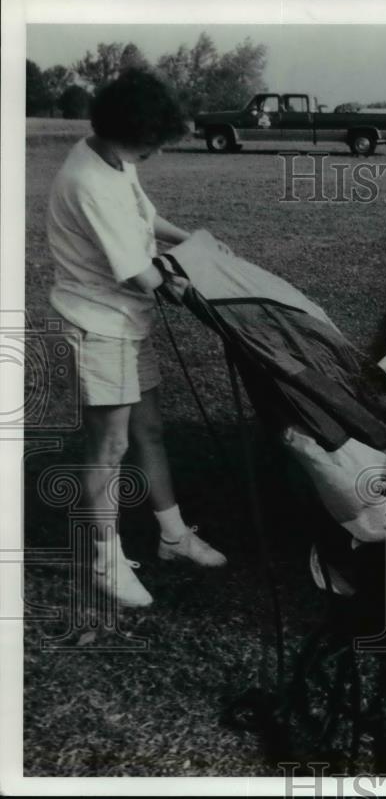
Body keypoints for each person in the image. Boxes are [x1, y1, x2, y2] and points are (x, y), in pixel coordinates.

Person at [47, 68, 228, 608]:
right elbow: (138, 273)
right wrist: (194, 287)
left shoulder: (116, 159)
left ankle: (173, 537)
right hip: (98, 324)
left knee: (149, 430)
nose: (157, 152)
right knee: (109, 447)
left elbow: (148, 221)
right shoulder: (86, 180)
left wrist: (193, 240)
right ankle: (106, 562)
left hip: (127, 320)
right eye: (154, 143)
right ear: (130, 131)